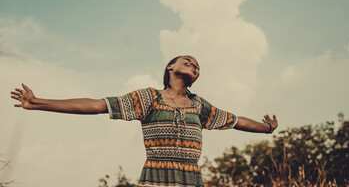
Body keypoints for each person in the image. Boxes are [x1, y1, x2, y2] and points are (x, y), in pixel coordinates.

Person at [11, 55, 278, 187]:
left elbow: (235, 121)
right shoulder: (148, 98)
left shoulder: (199, 105)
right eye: (188, 61)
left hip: (191, 178)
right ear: (170, 68)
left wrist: (266, 129)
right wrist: (37, 103)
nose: (194, 65)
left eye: (197, 66)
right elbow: (97, 105)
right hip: (156, 176)